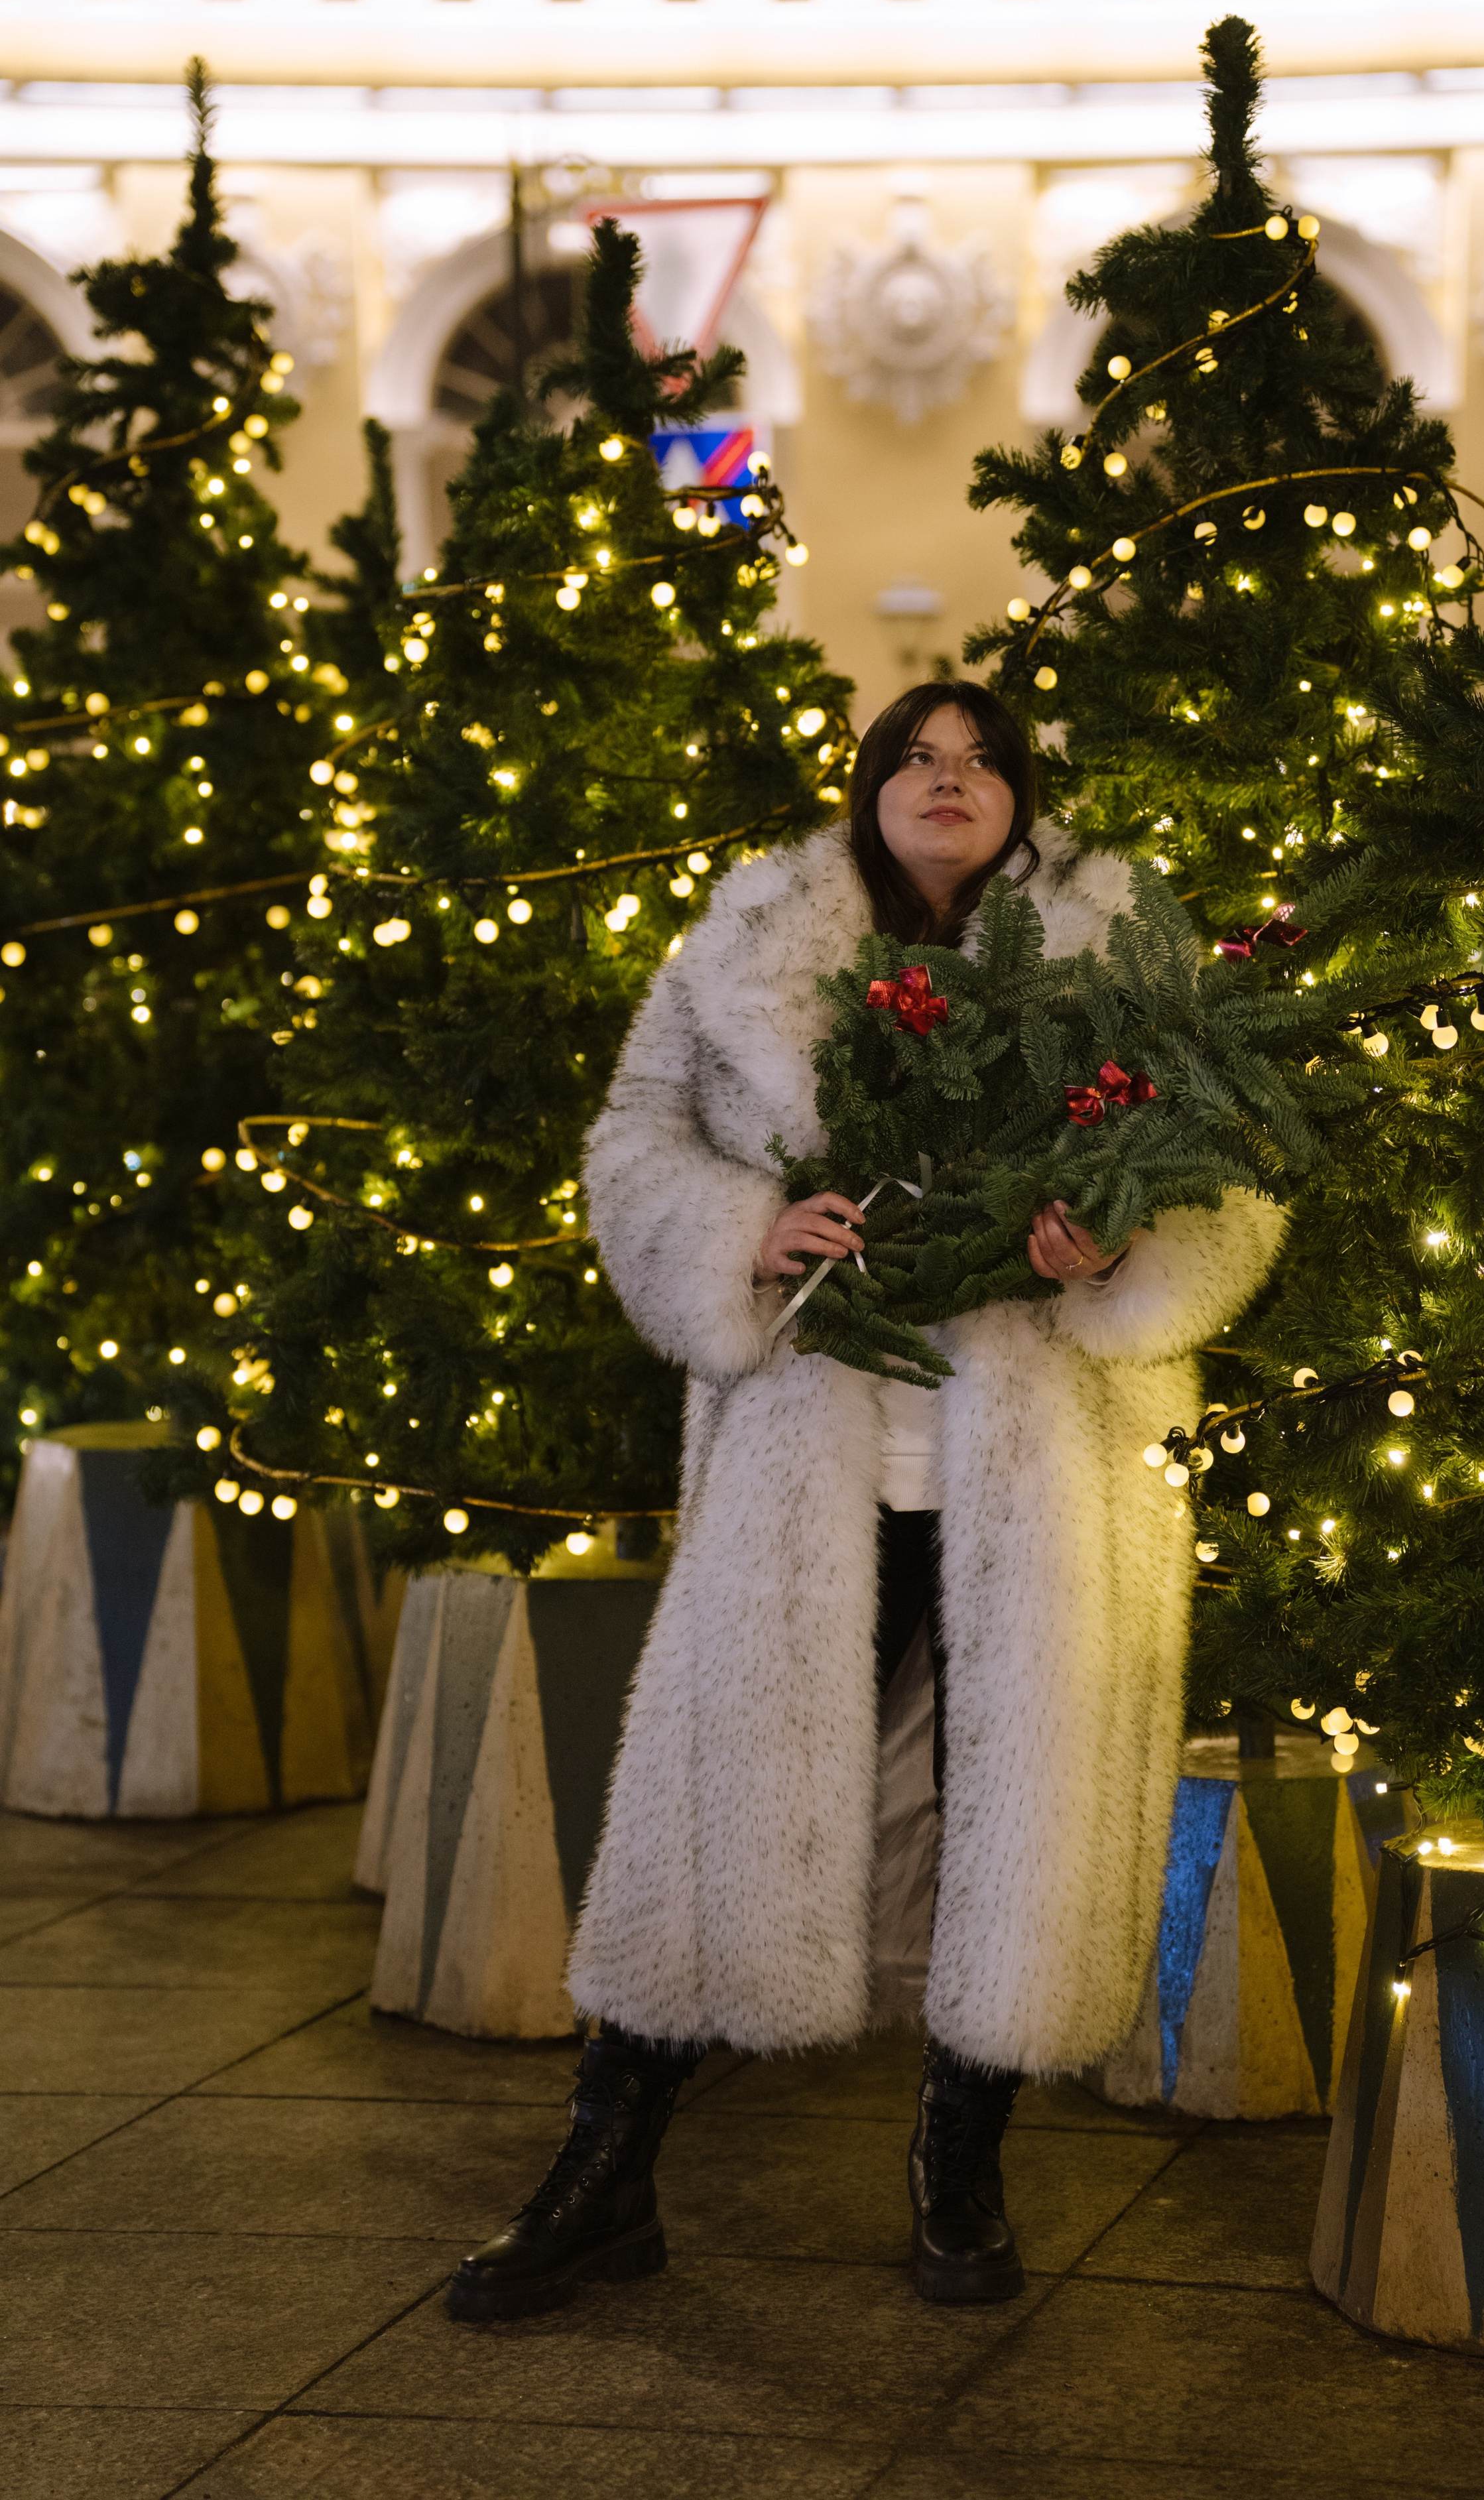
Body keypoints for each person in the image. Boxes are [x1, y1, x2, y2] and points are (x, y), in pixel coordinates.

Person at [446, 680, 1285, 2324]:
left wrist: (1119, 1251)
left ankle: (958, 2171)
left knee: (1012, 1824)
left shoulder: (1118, 949)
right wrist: (737, 1229)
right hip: (802, 1465)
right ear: (870, 786)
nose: (948, 780)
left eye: (981, 762)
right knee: (724, 1797)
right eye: (917, 755)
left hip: (1039, 1473)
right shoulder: (751, 943)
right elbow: (633, 1135)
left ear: (1022, 796)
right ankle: (604, 2174)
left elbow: (1232, 1173)